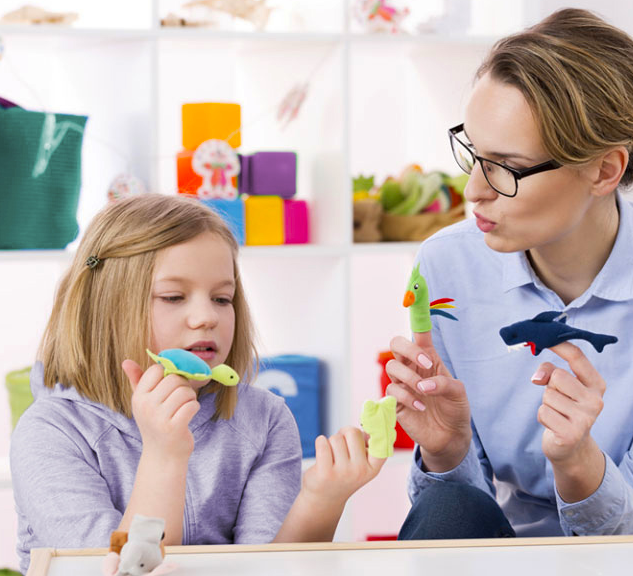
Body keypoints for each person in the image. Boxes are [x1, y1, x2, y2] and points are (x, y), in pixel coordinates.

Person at [385, 8, 633, 576]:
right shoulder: (447, 264)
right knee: (449, 508)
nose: (474, 191)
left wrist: (579, 461)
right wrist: (446, 450)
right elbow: (460, 520)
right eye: (473, 154)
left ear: (605, 171)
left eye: (506, 167)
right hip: (526, 557)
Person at [11, 194, 384, 574]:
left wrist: (320, 500)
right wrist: (163, 454)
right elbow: (119, 569)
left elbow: (267, 568)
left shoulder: (264, 419)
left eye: (223, 298)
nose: (207, 317)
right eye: (174, 297)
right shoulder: (51, 433)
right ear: (106, 306)